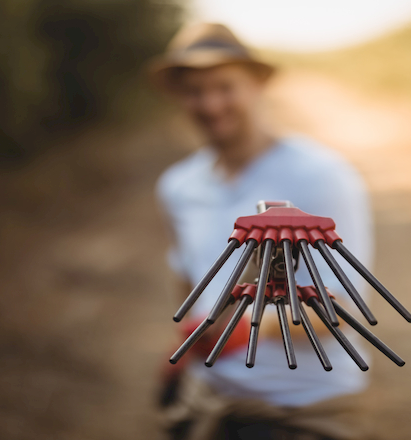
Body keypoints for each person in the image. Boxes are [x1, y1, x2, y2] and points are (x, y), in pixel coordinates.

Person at [148, 23, 373, 440]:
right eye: (195, 90)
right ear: (179, 96)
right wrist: (183, 351)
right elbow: (193, 290)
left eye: (224, 86)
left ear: (256, 85)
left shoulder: (319, 176)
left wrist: (252, 323)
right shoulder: (179, 186)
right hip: (209, 401)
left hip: (303, 410)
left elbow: (344, 310)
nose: (210, 103)